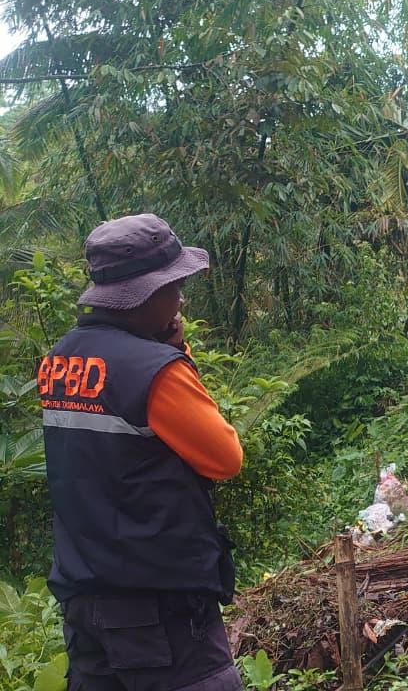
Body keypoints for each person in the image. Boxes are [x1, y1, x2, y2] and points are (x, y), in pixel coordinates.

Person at [38, 214, 245, 691]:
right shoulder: (156, 371)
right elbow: (225, 458)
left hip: (84, 598)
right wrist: (179, 355)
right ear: (145, 296)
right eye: (175, 287)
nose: (180, 299)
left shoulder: (58, 361)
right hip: (159, 610)